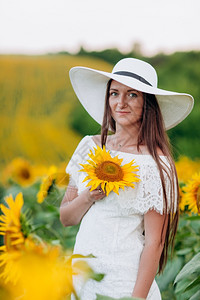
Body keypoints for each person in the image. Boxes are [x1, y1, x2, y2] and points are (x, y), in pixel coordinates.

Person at [60, 58, 194, 300]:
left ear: (148, 103)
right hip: (82, 282)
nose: (120, 103)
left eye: (132, 95)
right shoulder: (87, 147)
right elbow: (66, 217)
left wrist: (137, 299)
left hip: (125, 286)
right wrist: (90, 196)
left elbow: (155, 243)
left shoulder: (156, 164)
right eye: (114, 93)